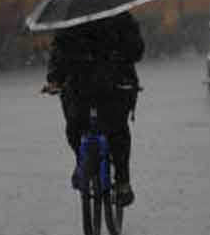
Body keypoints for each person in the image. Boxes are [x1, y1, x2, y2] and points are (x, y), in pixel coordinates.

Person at [44, 11, 144, 207]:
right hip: (82, 85)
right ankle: (82, 161)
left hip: (114, 84)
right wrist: (55, 79)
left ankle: (122, 181)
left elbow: (136, 49)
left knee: (117, 131)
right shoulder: (74, 21)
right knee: (75, 126)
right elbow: (59, 53)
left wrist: (121, 56)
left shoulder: (118, 17)